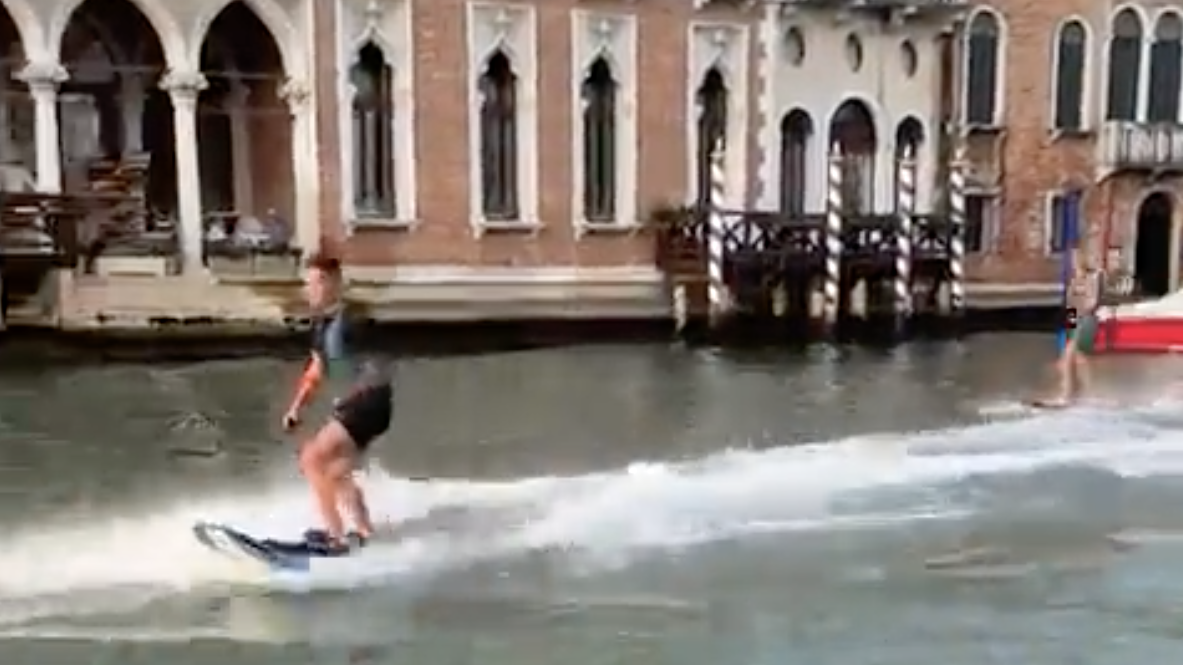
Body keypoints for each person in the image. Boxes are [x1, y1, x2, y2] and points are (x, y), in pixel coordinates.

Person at [283, 252, 393, 553]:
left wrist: (359, 391)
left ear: (335, 283)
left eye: (318, 282)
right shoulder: (321, 327)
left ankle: (336, 537)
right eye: (308, 283)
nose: (311, 289)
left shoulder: (356, 320)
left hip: (369, 403)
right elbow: (316, 371)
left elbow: (381, 361)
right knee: (335, 472)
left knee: (312, 458)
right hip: (360, 406)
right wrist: (296, 408)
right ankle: (364, 533)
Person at [1037, 249, 1102, 407]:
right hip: (1074, 319)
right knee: (1078, 359)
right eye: (1071, 260)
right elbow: (1069, 306)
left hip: (1085, 320)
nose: (1071, 263)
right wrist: (1069, 328)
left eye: (1074, 260)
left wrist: (1078, 323)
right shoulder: (1073, 280)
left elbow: (1091, 303)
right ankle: (1084, 394)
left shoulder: (1092, 279)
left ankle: (1064, 395)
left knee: (1066, 359)